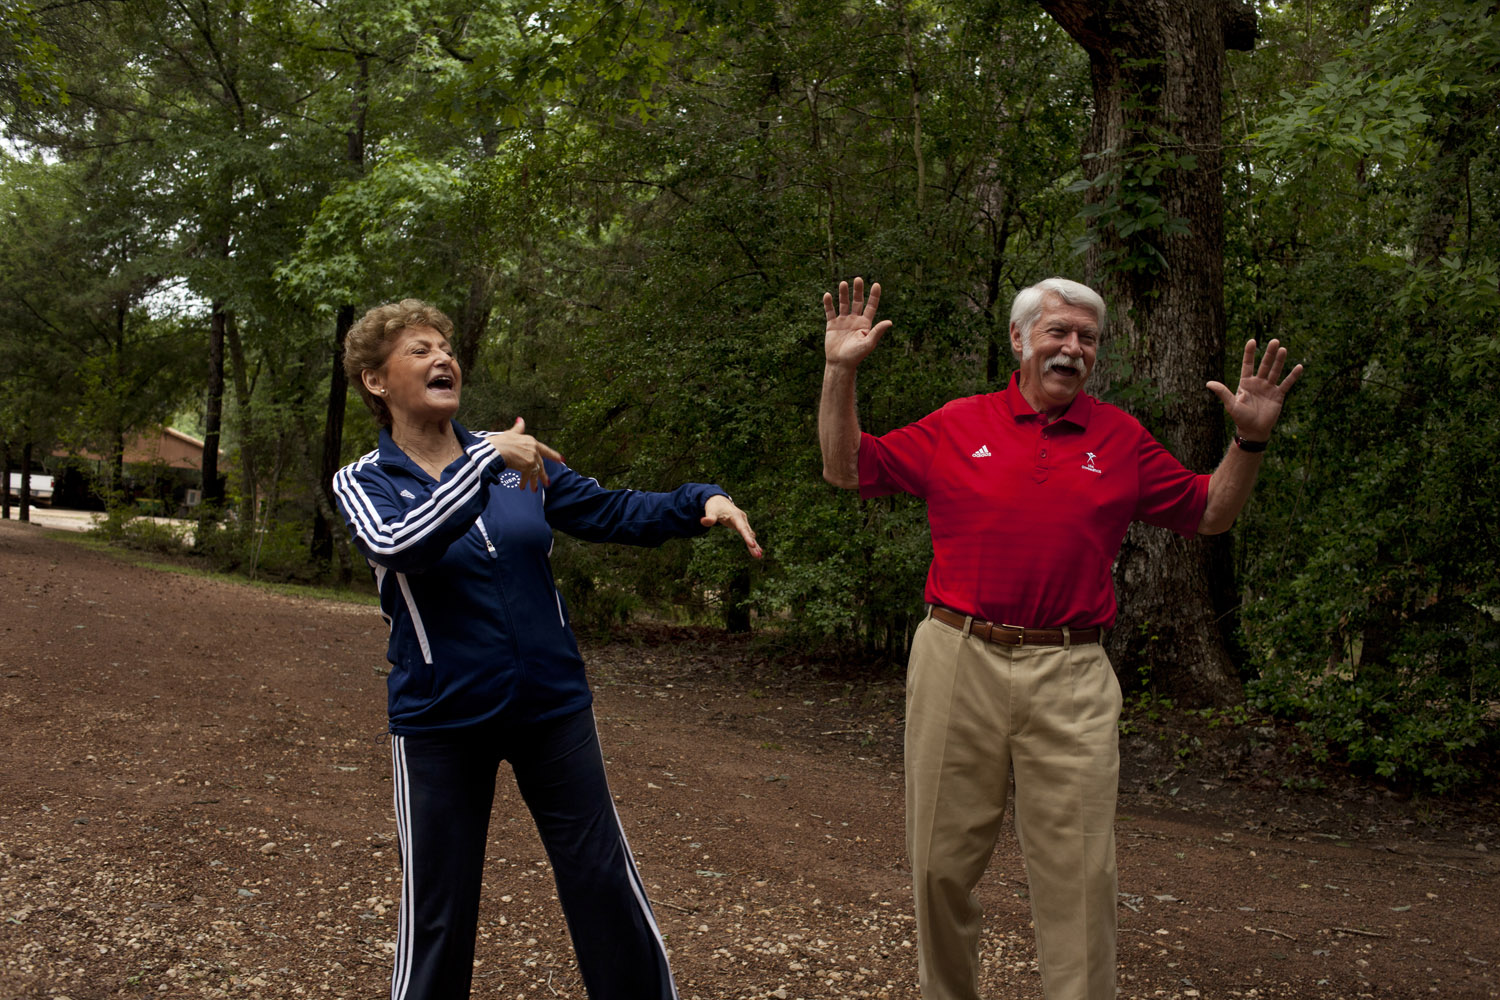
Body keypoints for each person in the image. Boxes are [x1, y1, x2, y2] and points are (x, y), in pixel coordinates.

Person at [817, 276, 1302, 1000]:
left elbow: (1209, 513)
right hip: (957, 655)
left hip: (1072, 671)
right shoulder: (959, 423)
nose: (1072, 349)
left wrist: (1251, 438)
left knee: (1079, 876)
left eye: (1086, 338)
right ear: (1018, 339)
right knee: (939, 866)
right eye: (1057, 332)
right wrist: (840, 370)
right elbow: (845, 466)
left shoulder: (1120, 438)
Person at [332, 299, 762, 1000]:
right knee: (439, 910)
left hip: (552, 708)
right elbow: (399, 545)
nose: (444, 357)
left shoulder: (517, 463)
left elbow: (610, 509)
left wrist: (697, 502)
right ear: (376, 382)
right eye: (419, 350)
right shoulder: (367, 480)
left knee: (602, 882)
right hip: (441, 720)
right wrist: (482, 460)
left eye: (447, 347)